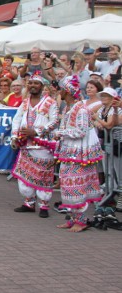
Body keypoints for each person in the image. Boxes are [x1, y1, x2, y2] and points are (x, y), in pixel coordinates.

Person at [52, 75, 104, 232]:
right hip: (70, 152)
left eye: (62, 90)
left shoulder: (80, 110)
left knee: (76, 185)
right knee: (68, 183)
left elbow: (81, 131)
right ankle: (73, 218)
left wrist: (61, 132)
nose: (60, 92)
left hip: (78, 154)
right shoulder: (69, 109)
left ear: (68, 92)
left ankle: (81, 221)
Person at [10, 73, 60, 218]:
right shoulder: (25, 102)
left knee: (43, 176)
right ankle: (29, 203)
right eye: (30, 83)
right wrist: (14, 136)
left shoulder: (50, 102)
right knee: (24, 175)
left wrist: (36, 131)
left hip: (43, 146)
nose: (33, 86)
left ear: (42, 86)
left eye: (36, 84)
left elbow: (54, 121)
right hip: (25, 145)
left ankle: (43, 205)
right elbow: (17, 119)